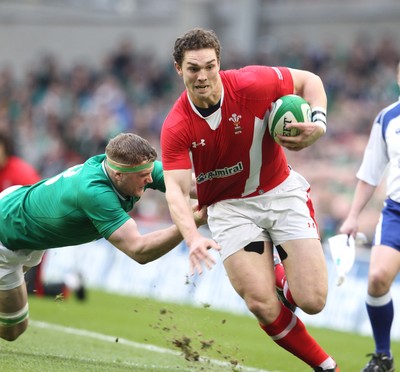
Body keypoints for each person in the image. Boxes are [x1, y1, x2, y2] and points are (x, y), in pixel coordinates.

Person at [160, 28, 337, 371]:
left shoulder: (252, 83)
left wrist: (319, 122)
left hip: (280, 191)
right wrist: (193, 237)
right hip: (229, 208)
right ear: (178, 69)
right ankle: (327, 366)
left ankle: (282, 277)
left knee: (312, 301)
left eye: (209, 66)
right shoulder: (176, 126)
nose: (203, 76)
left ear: (219, 63)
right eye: (193, 68)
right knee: (260, 302)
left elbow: (310, 81)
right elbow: (177, 193)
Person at [0, 132, 207, 342]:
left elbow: (189, 184)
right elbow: (139, 249)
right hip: (6, 232)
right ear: (118, 175)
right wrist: (192, 221)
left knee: (14, 325)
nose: (151, 179)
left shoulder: (127, 167)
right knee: (13, 330)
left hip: (23, 228)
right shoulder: (95, 193)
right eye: (144, 175)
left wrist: (231, 195)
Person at [339, 61, 400, 372]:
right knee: (376, 279)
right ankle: (383, 357)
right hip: (396, 213)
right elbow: (370, 173)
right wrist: (352, 216)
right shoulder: (387, 118)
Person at [0, 131, 86, 302]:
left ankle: (70, 283)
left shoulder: (21, 172)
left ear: (6, 149)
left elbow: (40, 203)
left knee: (30, 288)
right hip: (8, 236)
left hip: (31, 235)